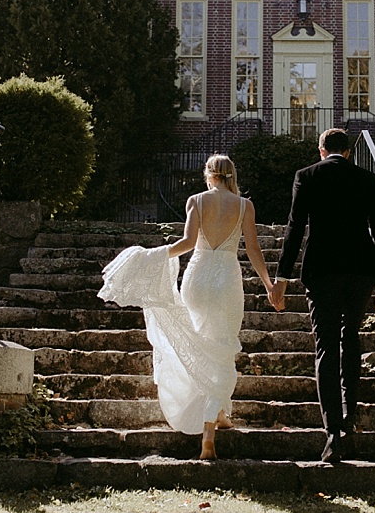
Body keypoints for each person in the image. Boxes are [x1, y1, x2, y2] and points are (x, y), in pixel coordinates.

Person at [98, 154, 273, 460]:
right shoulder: (245, 205)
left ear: (209, 175)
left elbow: (188, 242)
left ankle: (218, 413)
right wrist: (270, 284)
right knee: (221, 347)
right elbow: (254, 249)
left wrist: (154, 255)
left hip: (197, 278)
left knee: (202, 345)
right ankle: (209, 427)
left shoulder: (196, 201)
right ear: (232, 175)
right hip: (226, 279)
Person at [269, 128, 375, 464]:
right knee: (350, 337)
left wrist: (281, 277)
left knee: (325, 344)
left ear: (321, 150)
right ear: (349, 152)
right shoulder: (366, 180)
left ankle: (333, 433)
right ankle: (349, 414)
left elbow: (295, 226)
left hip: (322, 270)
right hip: (360, 270)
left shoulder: (306, 176)